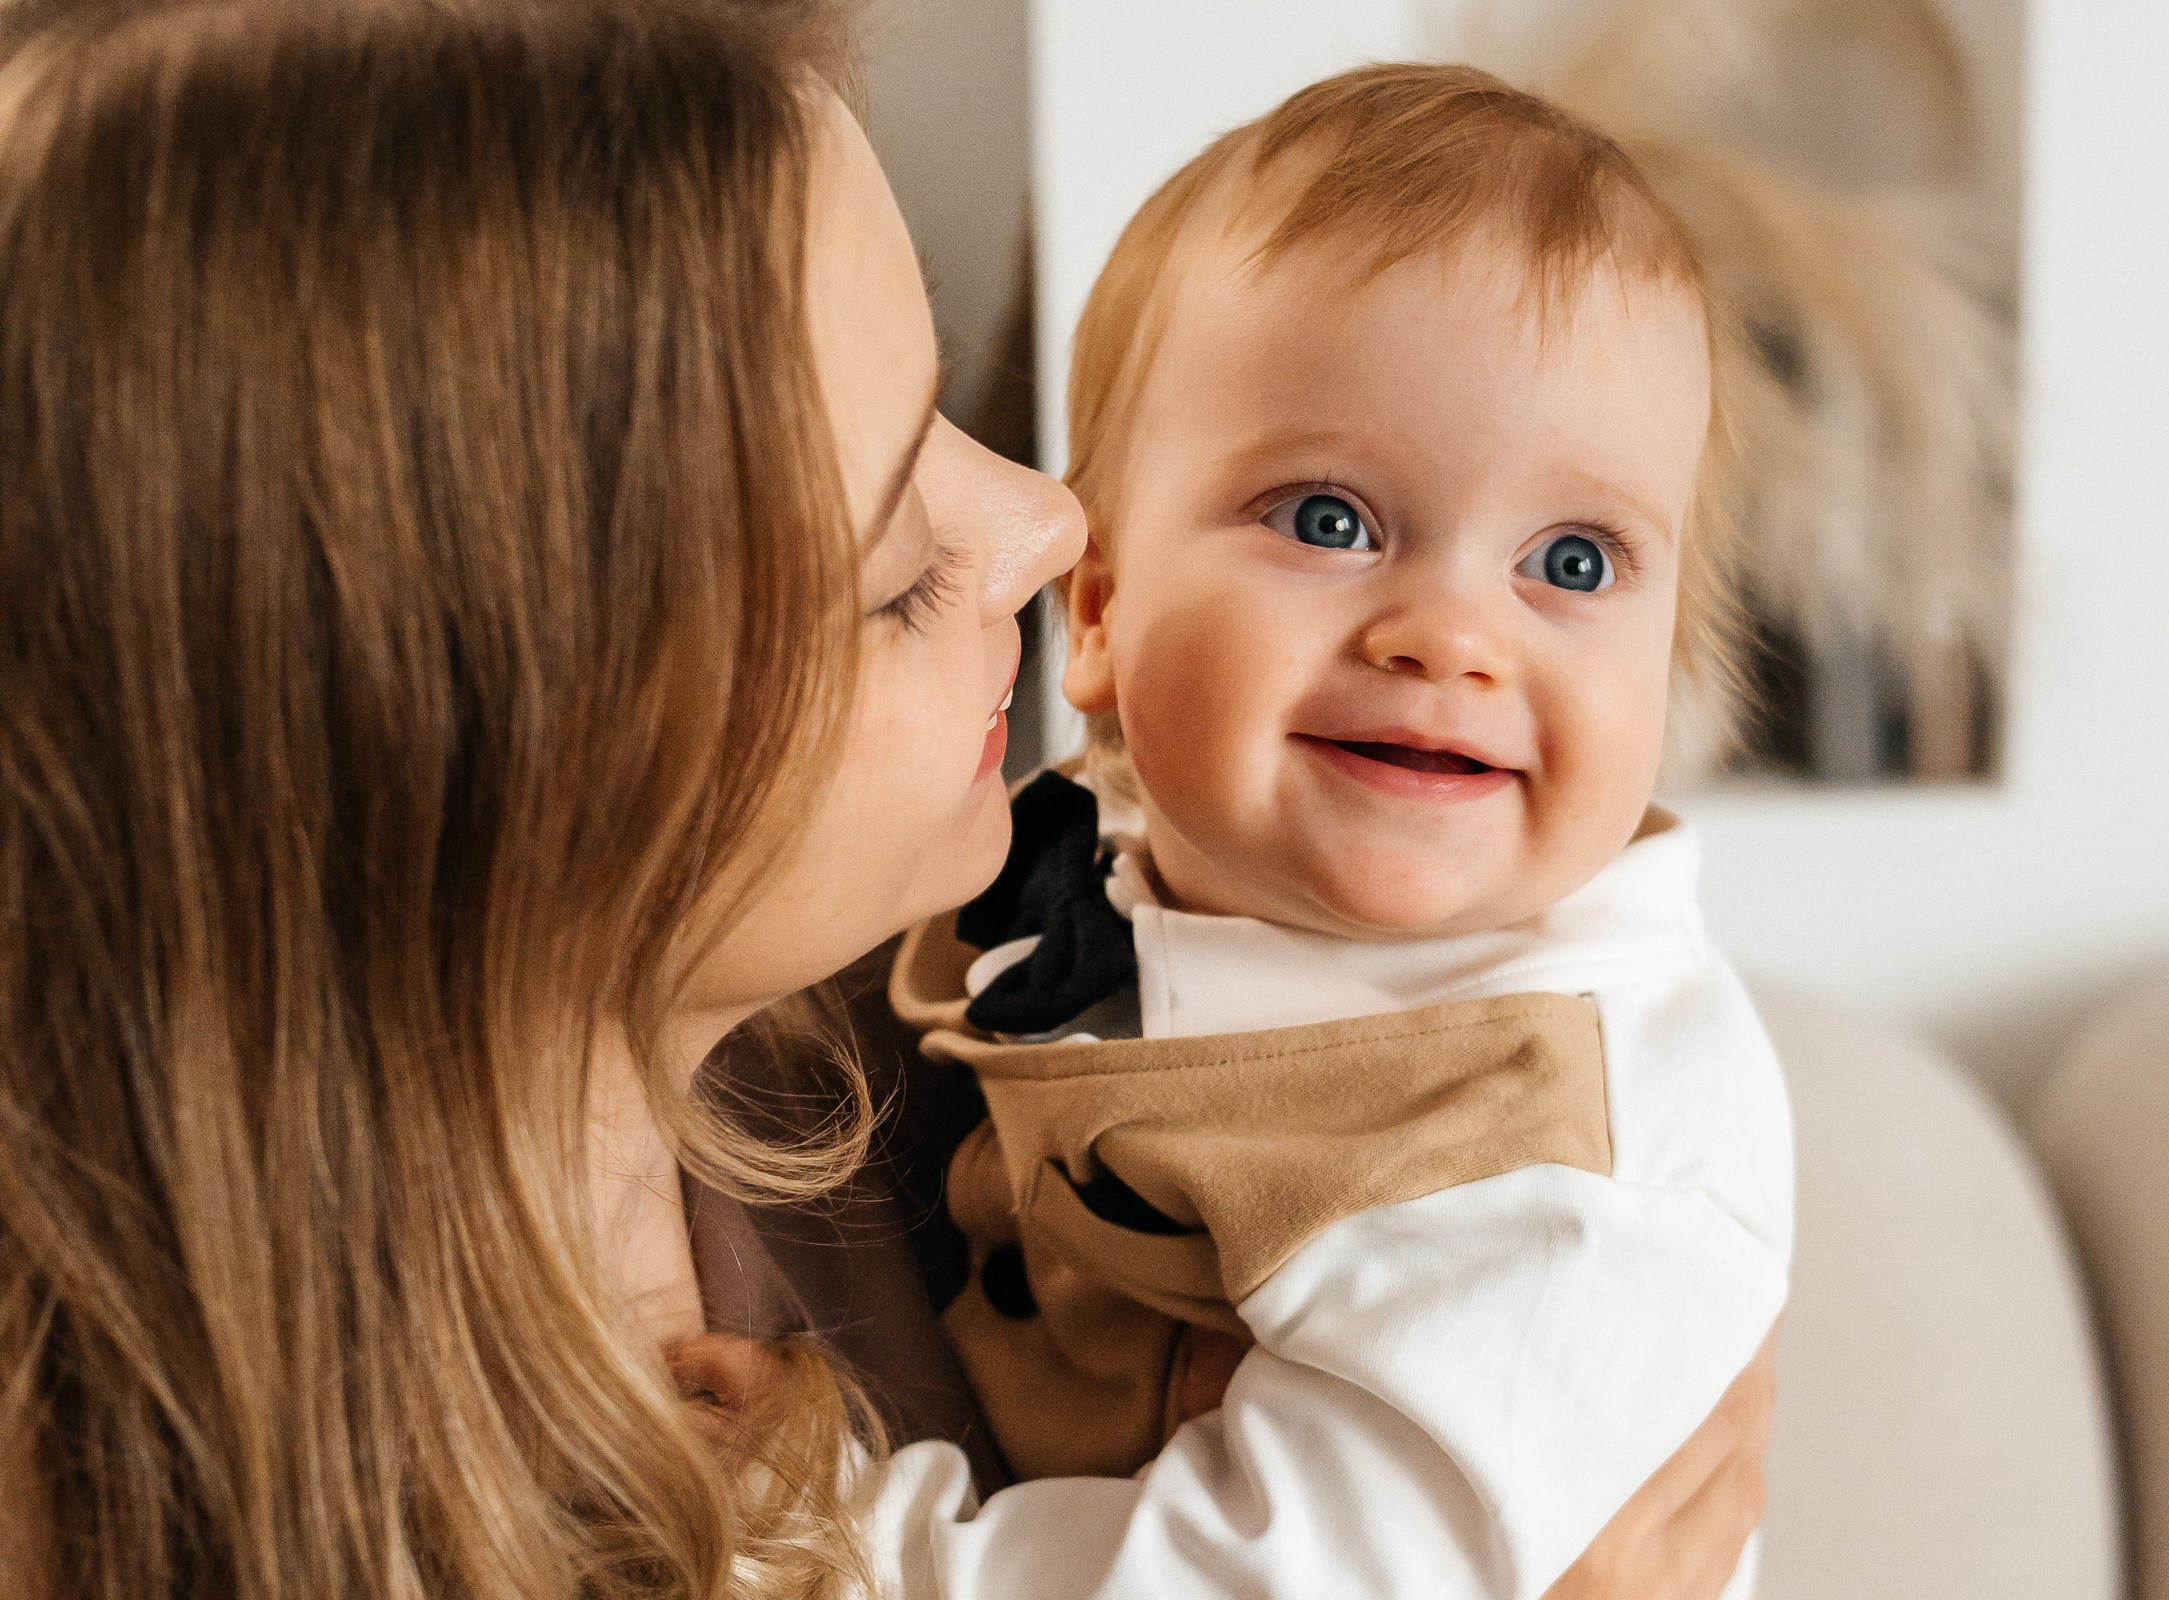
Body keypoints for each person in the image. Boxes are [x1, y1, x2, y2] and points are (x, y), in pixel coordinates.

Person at [0, 3, 1774, 1598]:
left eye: (1576, 560)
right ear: (523, 747)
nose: (1054, 528)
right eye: (896, 558)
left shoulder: (1512, 1135)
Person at [894, 63, 1792, 1597]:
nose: (1451, 636)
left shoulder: (1548, 1162)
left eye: (1573, 561)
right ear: (1100, 608)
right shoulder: (1053, 856)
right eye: (1330, 521)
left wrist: (835, 1533)